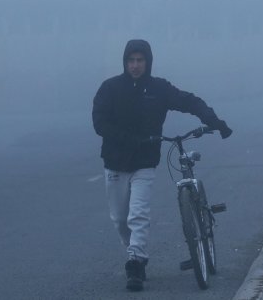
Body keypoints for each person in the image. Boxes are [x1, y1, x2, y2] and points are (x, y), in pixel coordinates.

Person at [92, 39, 232, 292]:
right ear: (125, 62)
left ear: (148, 62)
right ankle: (136, 251)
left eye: (140, 60)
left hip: (145, 162)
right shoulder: (110, 88)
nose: (135, 66)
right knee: (120, 219)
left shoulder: (159, 89)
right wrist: (127, 138)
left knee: (138, 215)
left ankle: (136, 262)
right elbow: (99, 122)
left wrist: (215, 121)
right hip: (115, 162)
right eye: (131, 61)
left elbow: (189, 101)